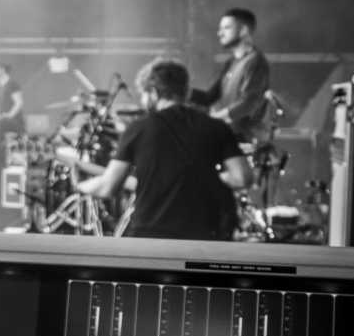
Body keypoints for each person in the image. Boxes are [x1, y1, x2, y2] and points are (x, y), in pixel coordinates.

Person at [77, 58, 253, 240]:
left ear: (153, 92)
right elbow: (242, 177)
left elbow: (107, 188)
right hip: (204, 236)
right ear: (186, 91)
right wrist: (210, 177)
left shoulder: (138, 129)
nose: (143, 101)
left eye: (144, 95)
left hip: (150, 236)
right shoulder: (216, 127)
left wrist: (81, 186)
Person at [190, 7, 272, 143]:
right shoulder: (231, 62)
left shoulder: (255, 62)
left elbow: (249, 103)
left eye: (226, 28)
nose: (219, 33)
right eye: (220, 29)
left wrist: (214, 118)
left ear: (244, 30)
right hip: (230, 138)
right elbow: (209, 97)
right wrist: (179, 90)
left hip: (246, 142)